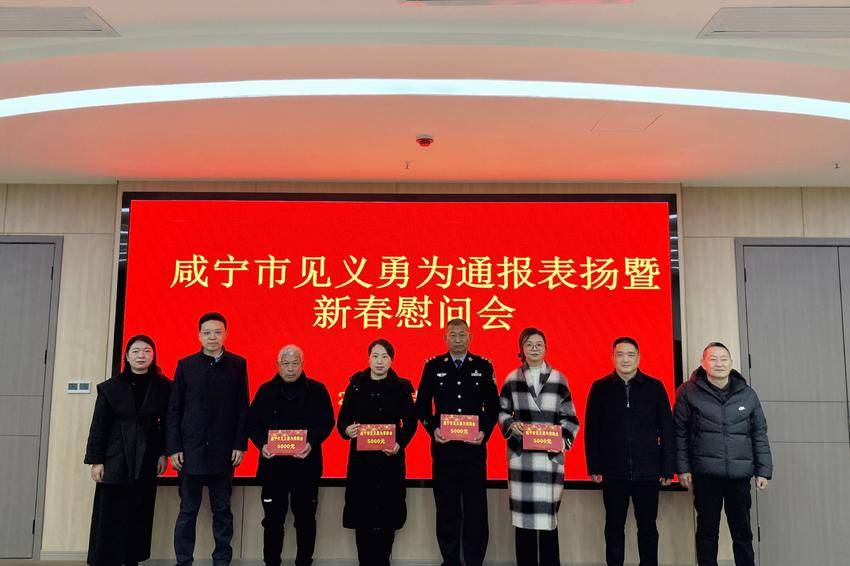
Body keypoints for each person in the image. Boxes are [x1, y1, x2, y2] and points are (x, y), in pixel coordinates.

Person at [673, 342, 772, 566]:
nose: (719, 363)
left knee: (742, 532)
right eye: (713, 359)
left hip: (739, 476)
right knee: (707, 532)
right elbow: (679, 432)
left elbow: (759, 432)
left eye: (724, 359)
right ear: (703, 363)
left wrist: (763, 470)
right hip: (706, 475)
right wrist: (683, 468)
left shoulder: (747, 394)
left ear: (731, 363)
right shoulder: (688, 392)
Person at [167, 312, 249, 566]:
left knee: (222, 510)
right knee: (187, 511)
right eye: (207, 332)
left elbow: (242, 408)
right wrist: (174, 448)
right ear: (199, 336)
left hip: (223, 451)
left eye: (217, 332)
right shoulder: (186, 365)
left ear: (226, 334)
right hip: (190, 450)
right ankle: (183, 561)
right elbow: (174, 409)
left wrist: (240, 444)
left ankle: (222, 561)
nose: (212, 336)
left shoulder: (238, 365)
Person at [415, 319, 499, 566]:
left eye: (462, 334)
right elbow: (421, 406)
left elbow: (493, 407)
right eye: (453, 335)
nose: (458, 339)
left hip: (474, 452)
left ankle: (474, 560)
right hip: (444, 451)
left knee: (475, 510)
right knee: (447, 509)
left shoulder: (483, 366)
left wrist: (484, 431)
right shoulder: (433, 367)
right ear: (445, 338)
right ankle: (450, 560)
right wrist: (433, 428)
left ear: (470, 337)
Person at [584, 337, 675, 566]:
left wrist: (667, 468)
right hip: (613, 472)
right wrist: (594, 466)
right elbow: (592, 431)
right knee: (614, 528)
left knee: (648, 528)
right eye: (620, 354)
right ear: (612, 357)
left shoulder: (655, 387)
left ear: (639, 357)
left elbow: (667, 429)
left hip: (648, 472)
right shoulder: (600, 388)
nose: (625, 359)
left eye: (630, 354)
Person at [84, 335, 172, 566]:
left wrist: (163, 453)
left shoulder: (164, 386)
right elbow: (98, 426)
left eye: (147, 351)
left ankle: (132, 560)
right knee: (110, 513)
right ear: (126, 356)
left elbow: (167, 425)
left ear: (153, 355)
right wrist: (96, 461)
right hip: (114, 458)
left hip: (147, 458)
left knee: (139, 512)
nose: (141, 356)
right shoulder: (110, 388)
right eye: (135, 351)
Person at [498, 327, 580, 566]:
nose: (534, 349)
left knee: (548, 522)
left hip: (549, 460)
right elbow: (501, 411)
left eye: (539, 344)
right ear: (521, 349)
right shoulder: (512, 379)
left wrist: (559, 441)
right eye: (529, 345)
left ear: (546, 348)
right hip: (522, 460)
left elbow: (570, 418)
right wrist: (511, 425)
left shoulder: (559, 379)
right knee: (523, 524)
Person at [247, 345, 335, 566]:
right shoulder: (265, 390)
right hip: (273, 468)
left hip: (306, 467)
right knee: (272, 521)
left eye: (295, 363)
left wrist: (311, 443)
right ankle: (271, 562)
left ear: (302, 364)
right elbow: (252, 422)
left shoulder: (317, 390)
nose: (290, 368)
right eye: (285, 364)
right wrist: (262, 444)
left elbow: (327, 421)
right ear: (278, 365)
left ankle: (304, 562)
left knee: (305, 520)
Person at [337, 338, 418, 566]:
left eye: (384, 356)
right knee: (363, 520)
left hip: (389, 462)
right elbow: (342, 420)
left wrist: (399, 443)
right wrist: (347, 430)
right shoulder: (356, 385)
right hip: (362, 465)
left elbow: (411, 422)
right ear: (368, 358)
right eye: (375, 356)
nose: (379, 361)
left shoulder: (402, 387)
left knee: (387, 520)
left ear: (392, 360)